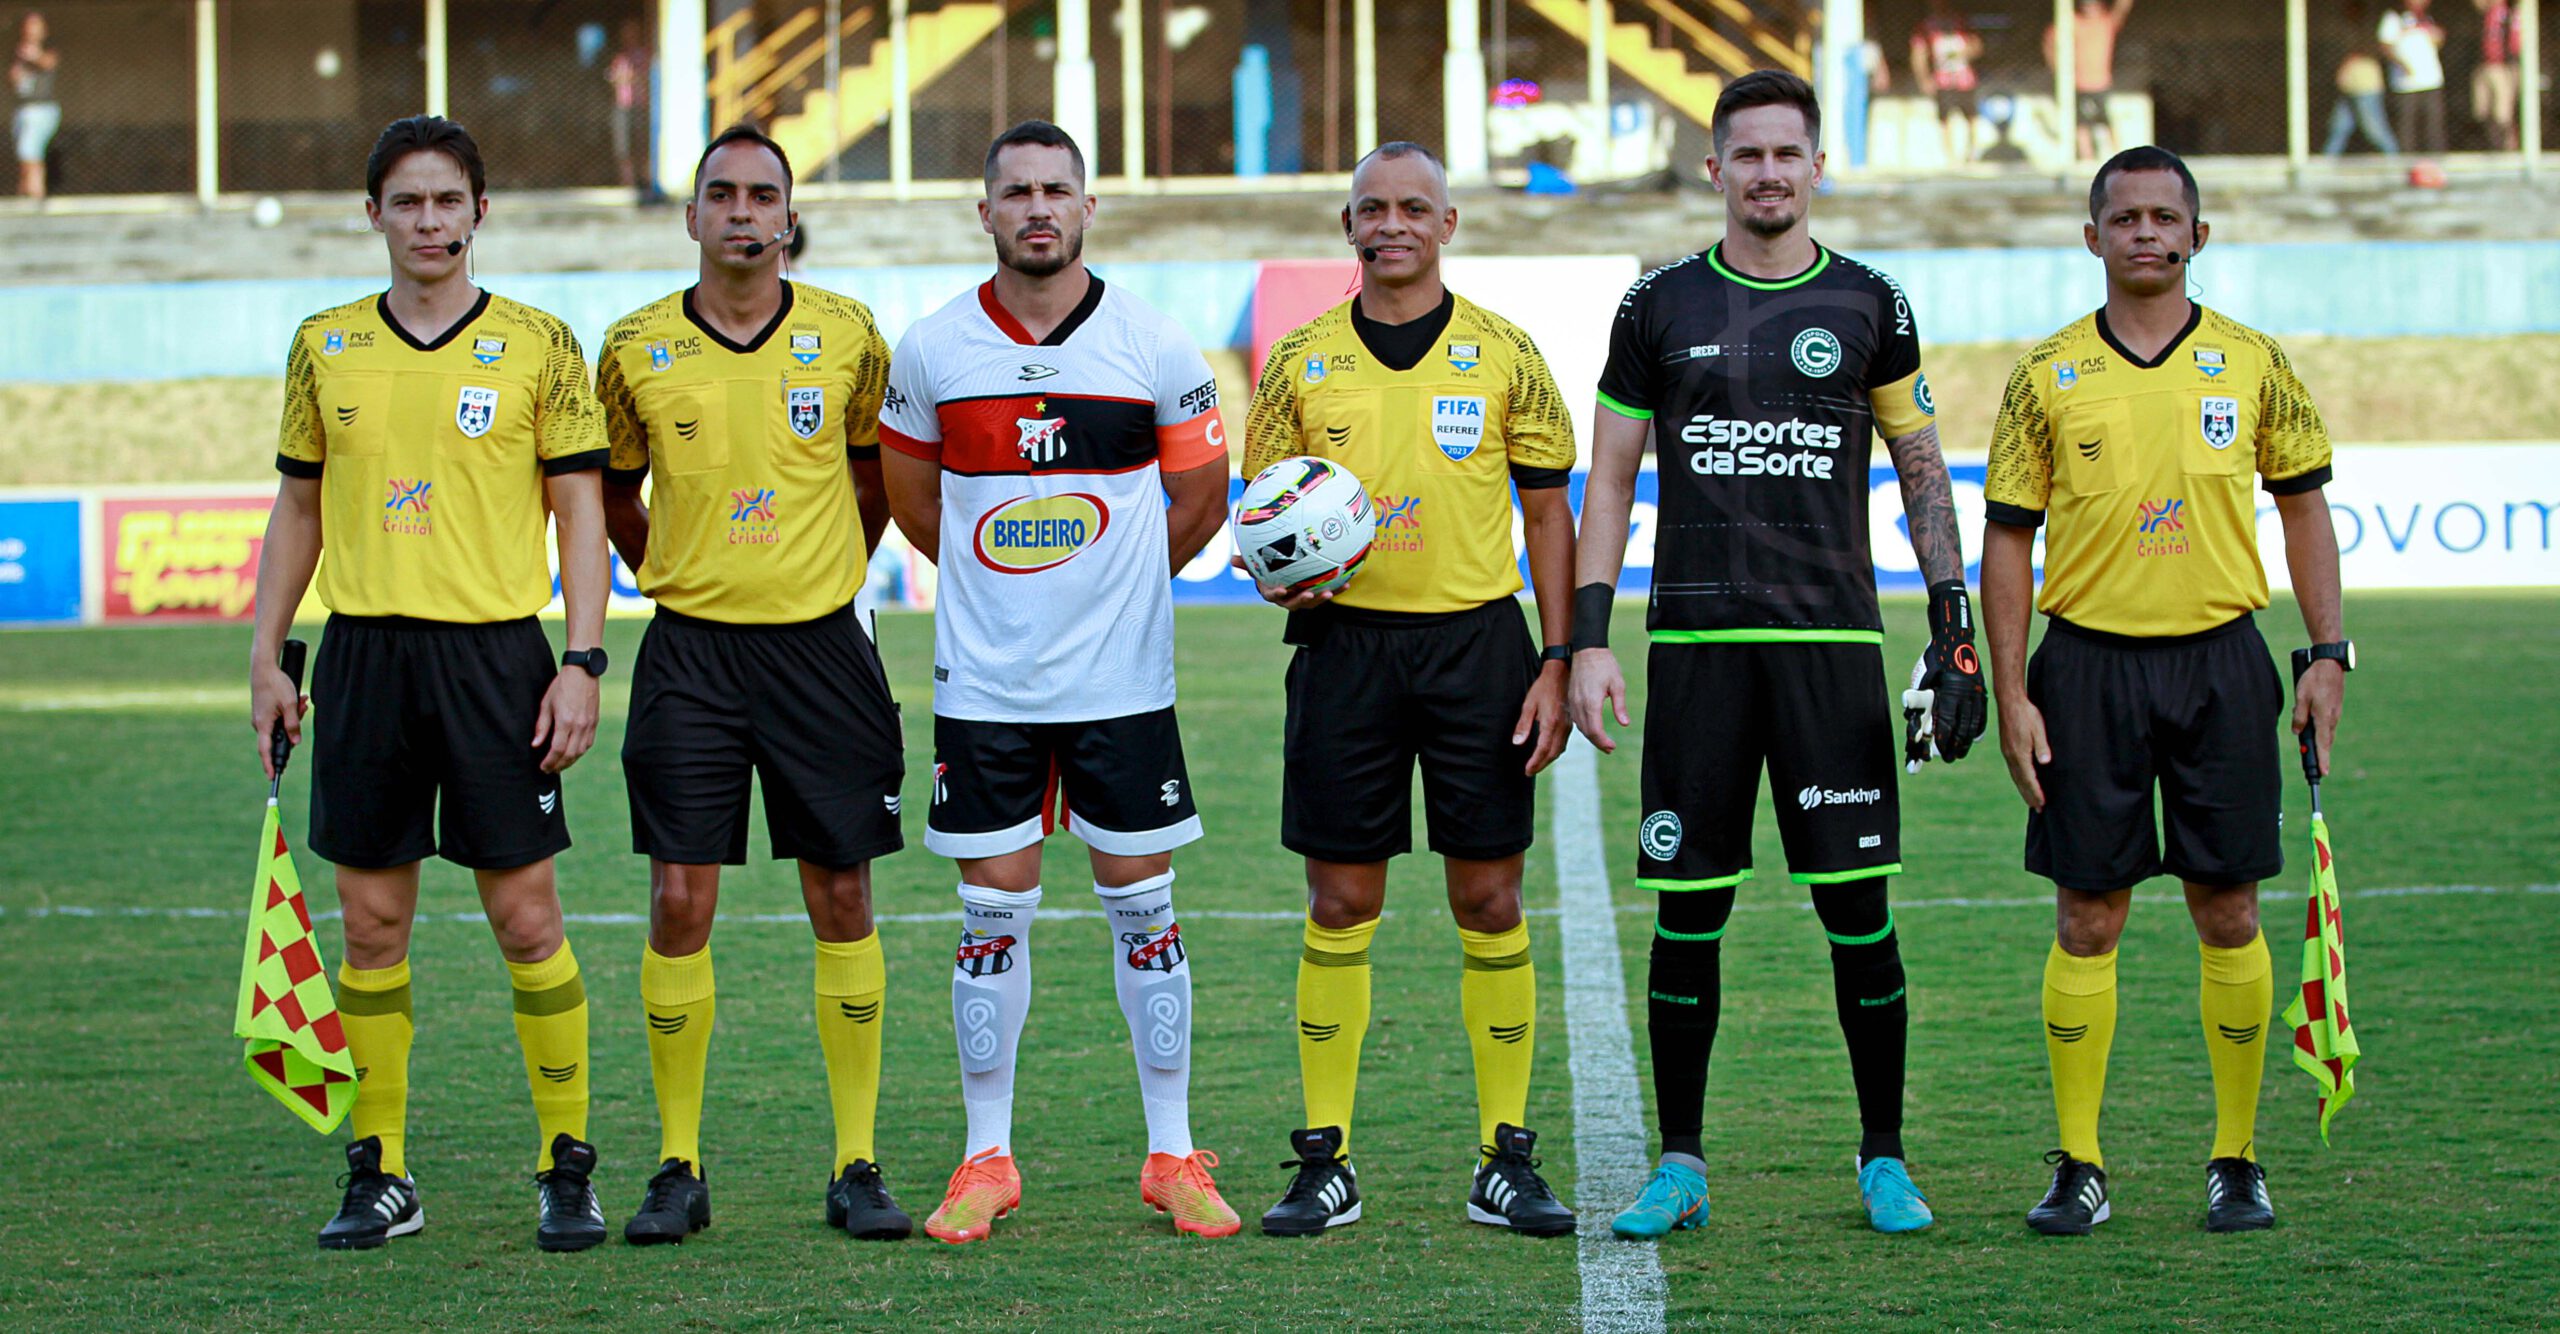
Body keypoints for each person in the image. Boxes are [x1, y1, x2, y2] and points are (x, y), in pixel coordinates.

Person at [1569, 70, 1979, 1242]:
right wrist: (1589, 638)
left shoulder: (1869, 302)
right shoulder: (1654, 305)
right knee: (1686, 910)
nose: (1766, 173)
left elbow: (1919, 461)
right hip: (1695, 643)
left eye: (1785, 153)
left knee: (1858, 909)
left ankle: (1884, 1156)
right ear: (1714, 169)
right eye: (1744, 154)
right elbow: (1606, 478)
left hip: (1830, 645)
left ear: (1815, 166)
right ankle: (1682, 1161)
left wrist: (1951, 626)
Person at [248, 115, 613, 1253]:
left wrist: (583, 660)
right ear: (374, 216)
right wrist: (266, 653)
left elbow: (579, 512)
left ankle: (566, 1165)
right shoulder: (324, 344)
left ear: (478, 213)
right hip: (362, 656)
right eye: (405, 203)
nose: (427, 222)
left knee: (525, 914)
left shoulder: (542, 343)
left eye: (446, 201)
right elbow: (298, 508)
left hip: (497, 657)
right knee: (370, 923)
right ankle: (383, 1170)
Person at [878, 120, 1239, 1245]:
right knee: (990, 917)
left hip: (1123, 684)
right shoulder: (933, 348)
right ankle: (987, 1157)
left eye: (1057, 190)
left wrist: (1110, 589)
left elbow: (1200, 501)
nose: (1038, 207)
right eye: (1016, 191)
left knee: (1146, 914)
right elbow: (911, 503)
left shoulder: (1155, 345)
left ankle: (1171, 1152)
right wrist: (1013, 596)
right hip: (985, 686)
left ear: (1089, 207)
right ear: (982, 212)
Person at [1980, 146, 2348, 1236]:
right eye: (2124, 217)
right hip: (2083, 667)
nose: (2145, 232)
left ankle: (2235, 1156)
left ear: (2196, 235)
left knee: (2226, 907)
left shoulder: (2251, 361)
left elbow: (2303, 507)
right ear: (2090, 236)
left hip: (2221, 662)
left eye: (2164, 217)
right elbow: (2007, 543)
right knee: (2086, 914)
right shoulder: (2044, 373)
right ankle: (2079, 1162)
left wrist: (2326, 652)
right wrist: (2012, 694)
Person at [1243, 142, 1581, 1240]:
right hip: (1344, 651)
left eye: (1414, 208)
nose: (1392, 224)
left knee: (1489, 898)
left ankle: (1505, 1155)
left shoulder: (1505, 355)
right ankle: (1325, 1159)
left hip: (1479, 650)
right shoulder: (1296, 362)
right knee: (1341, 902)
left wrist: (1556, 657)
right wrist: (1282, 577)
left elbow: (1546, 516)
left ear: (1448, 222)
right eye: (1372, 209)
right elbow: (1264, 518)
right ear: (1346, 224)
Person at [594, 125, 911, 1246]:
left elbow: (875, 480)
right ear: (690, 217)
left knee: (843, 896)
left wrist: (822, 569)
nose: (740, 211)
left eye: (760, 195)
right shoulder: (632, 346)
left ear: (786, 216)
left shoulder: (845, 335)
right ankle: (677, 1162)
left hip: (823, 649)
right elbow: (613, 495)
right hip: (690, 652)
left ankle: (856, 1160)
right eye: (718, 194)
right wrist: (676, 572)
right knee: (680, 899)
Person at [2046, 0, 2136, 161]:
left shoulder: (2105, 23)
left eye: (2093, 5)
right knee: (2081, 123)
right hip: (2079, 82)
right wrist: (2056, 67)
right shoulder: (2074, 23)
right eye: (2086, 5)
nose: (2090, 8)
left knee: (2108, 120)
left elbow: (2121, 10)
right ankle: (2086, 157)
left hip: (2101, 81)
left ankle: (2122, 158)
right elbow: (2050, 39)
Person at [1910, 0, 1983, 165]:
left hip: (1964, 78)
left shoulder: (1962, 23)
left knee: (1971, 116)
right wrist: (1924, 79)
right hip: (1943, 80)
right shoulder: (1925, 27)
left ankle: (1971, 153)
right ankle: (1950, 158)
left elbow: (1977, 46)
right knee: (1945, 119)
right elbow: (1918, 54)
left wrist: (1967, 52)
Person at [2379, 0, 2447, 154]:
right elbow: (2385, 46)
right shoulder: (2393, 18)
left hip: (2431, 80)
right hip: (2405, 83)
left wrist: (2436, 33)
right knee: (2407, 127)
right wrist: (2402, 64)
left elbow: (2439, 40)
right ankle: (2406, 163)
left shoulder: (2428, 19)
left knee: (2434, 126)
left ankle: (2436, 164)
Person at [2323, 39, 2401, 157]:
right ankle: (2327, 159)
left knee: (2373, 128)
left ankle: (2392, 156)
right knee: (2339, 127)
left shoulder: (2368, 50)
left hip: (2365, 91)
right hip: (2348, 91)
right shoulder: (2349, 53)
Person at [11, 11, 58, 202]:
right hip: (23, 109)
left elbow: (48, 63)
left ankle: (35, 196)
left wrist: (33, 55)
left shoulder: (49, 49)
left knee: (29, 152)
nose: (30, 30)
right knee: (26, 157)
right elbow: (14, 81)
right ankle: (26, 196)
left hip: (41, 109)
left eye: (35, 25)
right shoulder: (18, 54)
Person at [608, 19, 652, 195]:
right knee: (623, 145)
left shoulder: (644, 55)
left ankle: (645, 179)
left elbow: (644, 76)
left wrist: (630, 78)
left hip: (640, 105)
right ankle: (628, 182)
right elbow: (614, 79)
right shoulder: (619, 58)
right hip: (623, 105)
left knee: (642, 143)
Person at [2472, 0, 2520, 151]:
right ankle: (2493, 146)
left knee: (2502, 113)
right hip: (2485, 65)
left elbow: (2516, 43)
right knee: (2482, 111)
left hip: (2502, 67)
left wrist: (2512, 67)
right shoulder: (2487, 14)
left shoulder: (2509, 14)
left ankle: (2507, 149)